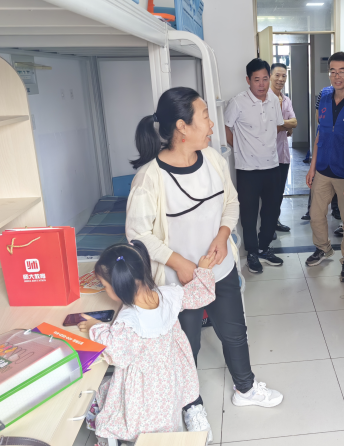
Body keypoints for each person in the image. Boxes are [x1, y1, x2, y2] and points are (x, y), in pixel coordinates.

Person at [126, 87, 283, 441]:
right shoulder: (150, 178)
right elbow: (137, 233)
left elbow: (231, 201)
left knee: (235, 331)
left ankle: (246, 387)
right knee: (187, 345)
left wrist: (223, 236)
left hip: (218, 269)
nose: (212, 125)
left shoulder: (212, 158)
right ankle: (191, 406)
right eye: (206, 117)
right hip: (178, 282)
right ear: (182, 127)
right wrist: (178, 262)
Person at [77, 241, 216, 444]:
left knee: (126, 415)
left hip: (144, 386)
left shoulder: (129, 322)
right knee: (165, 415)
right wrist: (203, 270)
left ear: (120, 287)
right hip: (169, 377)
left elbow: (117, 353)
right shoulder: (168, 295)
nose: (105, 290)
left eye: (105, 286)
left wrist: (96, 327)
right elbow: (200, 294)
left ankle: (118, 438)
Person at [305, 51, 344, 281]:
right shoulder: (325, 97)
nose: (337, 76)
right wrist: (312, 166)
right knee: (315, 214)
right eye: (333, 71)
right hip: (322, 167)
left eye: (342, 71)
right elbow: (320, 133)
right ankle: (323, 247)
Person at [225, 59, 285, 274]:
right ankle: (252, 252)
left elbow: (277, 126)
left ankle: (264, 248)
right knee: (248, 213)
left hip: (272, 166)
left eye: (265, 79)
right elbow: (226, 128)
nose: (261, 84)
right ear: (248, 80)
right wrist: (240, 147)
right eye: (256, 80)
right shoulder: (237, 102)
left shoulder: (274, 100)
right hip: (247, 169)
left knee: (271, 210)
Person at [270, 62, 297, 234]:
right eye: (277, 75)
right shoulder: (265, 99)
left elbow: (294, 123)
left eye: (284, 76)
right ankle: (267, 226)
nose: (281, 79)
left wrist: (283, 125)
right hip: (267, 156)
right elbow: (270, 126)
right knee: (269, 194)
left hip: (283, 154)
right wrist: (285, 125)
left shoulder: (286, 99)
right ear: (270, 76)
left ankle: (275, 221)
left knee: (279, 192)